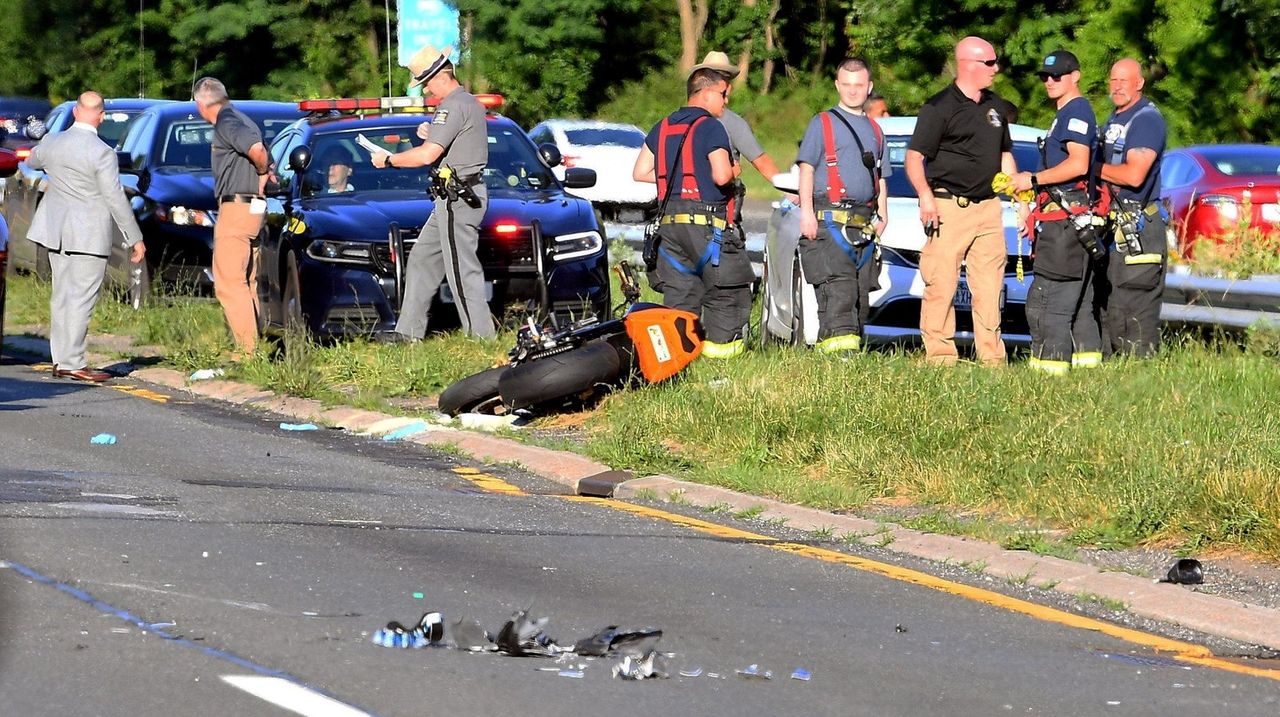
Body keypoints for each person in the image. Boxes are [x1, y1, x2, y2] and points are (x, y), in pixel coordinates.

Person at [368, 44, 495, 341]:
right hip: (454, 196)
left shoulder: (452, 104)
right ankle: (408, 333)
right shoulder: (467, 102)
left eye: (425, 83)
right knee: (423, 258)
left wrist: (389, 160)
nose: (425, 91)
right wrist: (432, 134)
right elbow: (450, 142)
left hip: (457, 198)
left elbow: (426, 156)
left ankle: (481, 338)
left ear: (440, 75)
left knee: (462, 272)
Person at [905, 36, 1017, 367]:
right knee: (941, 283)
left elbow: (1005, 155)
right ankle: (940, 357)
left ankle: (992, 359)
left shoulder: (996, 106)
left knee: (990, 286)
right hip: (949, 207)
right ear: (969, 65)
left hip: (988, 209)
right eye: (990, 63)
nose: (996, 69)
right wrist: (925, 196)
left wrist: (1020, 199)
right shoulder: (939, 107)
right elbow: (914, 158)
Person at [26, 91, 145, 382]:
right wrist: (134, 237)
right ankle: (73, 362)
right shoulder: (102, 152)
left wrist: (47, 144)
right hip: (88, 233)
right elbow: (114, 197)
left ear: (76, 112)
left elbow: (32, 160)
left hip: (56, 230)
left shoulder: (53, 142)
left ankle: (61, 359)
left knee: (62, 296)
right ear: (101, 116)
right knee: (82, 298)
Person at [633, 68, 750, 358]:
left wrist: (681, 182)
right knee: (725, 294)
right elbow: (722, 176)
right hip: (707, 226)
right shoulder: (711, 127)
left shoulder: (662, 126)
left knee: (681, 297)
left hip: (669, 228)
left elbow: (641, 172)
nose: (725, 102)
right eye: (723, 95)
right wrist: (735, 170)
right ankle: (720, 361)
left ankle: (680, 362)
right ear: (706, 93)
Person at [1010, 50, 1103, 374]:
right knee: (1078, 307)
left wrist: (1031, 179)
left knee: (1048, 303)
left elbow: (1077, 163)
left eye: (1058, 75)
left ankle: (1048, 379)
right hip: (1067, 222)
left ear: (1075, 76)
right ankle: (1087, 374)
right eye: (1045, 76)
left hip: (1064, 226)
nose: (1050, 81)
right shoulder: (1066, 113)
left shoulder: (1076, 112)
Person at [795, 57, 890, 354]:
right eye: (846, 85)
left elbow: (881, 177)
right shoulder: (821, 123)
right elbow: (807, 169)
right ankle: (841, 365)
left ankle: (840, 360)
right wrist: (807, 214)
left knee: (860, 299)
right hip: (830, 221)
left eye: (859, 85)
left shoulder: (876, 130)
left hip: (863, 225)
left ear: (869, 87)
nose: (852, 91)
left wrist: (883, 215)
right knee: (838, 294)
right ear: (837, 85)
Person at [194, 76, 272, 358]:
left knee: (228, 282)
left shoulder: (228, 122)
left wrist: (262, 172)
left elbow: (257, 151)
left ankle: (247, 354)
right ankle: (254, 347)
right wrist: (263, 174)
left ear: (202, 103)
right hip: (251, 208)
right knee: (246, 281)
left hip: (237, 209)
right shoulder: (242, 118)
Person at [1096, 58, 1167, 357]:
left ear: (1140, 83)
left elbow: (1134, 174)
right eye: (1113, 80)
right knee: (1109, 311)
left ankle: (1142, 386)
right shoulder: (1113, 121)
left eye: (1124, 80)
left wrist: (1089, 167)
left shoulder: (1146, 120)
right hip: (1114, 228)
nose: (1117, 86)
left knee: (1133, 317)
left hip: (1140, 229)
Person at [690, 51, 790, 220]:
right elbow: (762, 163)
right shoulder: (731, 122)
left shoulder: (678, 121)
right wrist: (792, 192)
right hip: (720, 210)